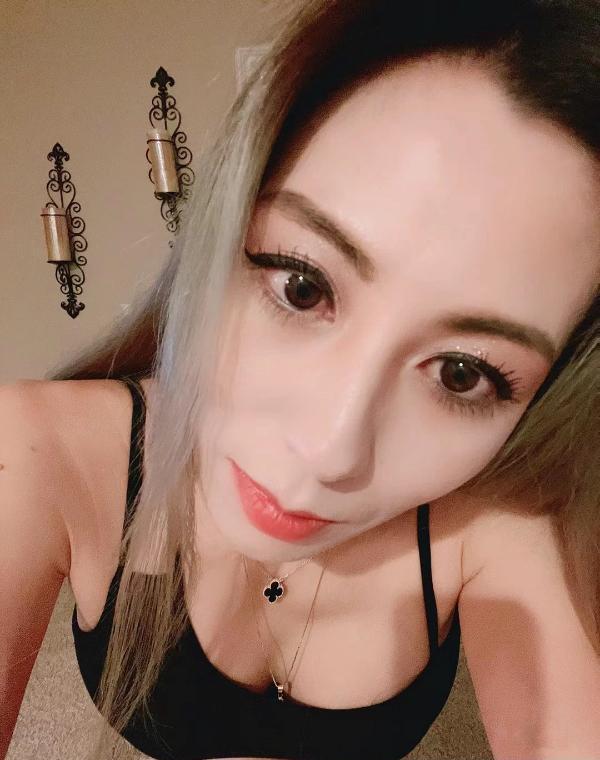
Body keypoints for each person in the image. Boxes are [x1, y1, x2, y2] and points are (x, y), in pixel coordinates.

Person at [2, 1, 600, 759]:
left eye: (462, 374)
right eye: (302, 286)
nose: (330, 451)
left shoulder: (496, 521)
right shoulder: (36, 448)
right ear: (223, 228)